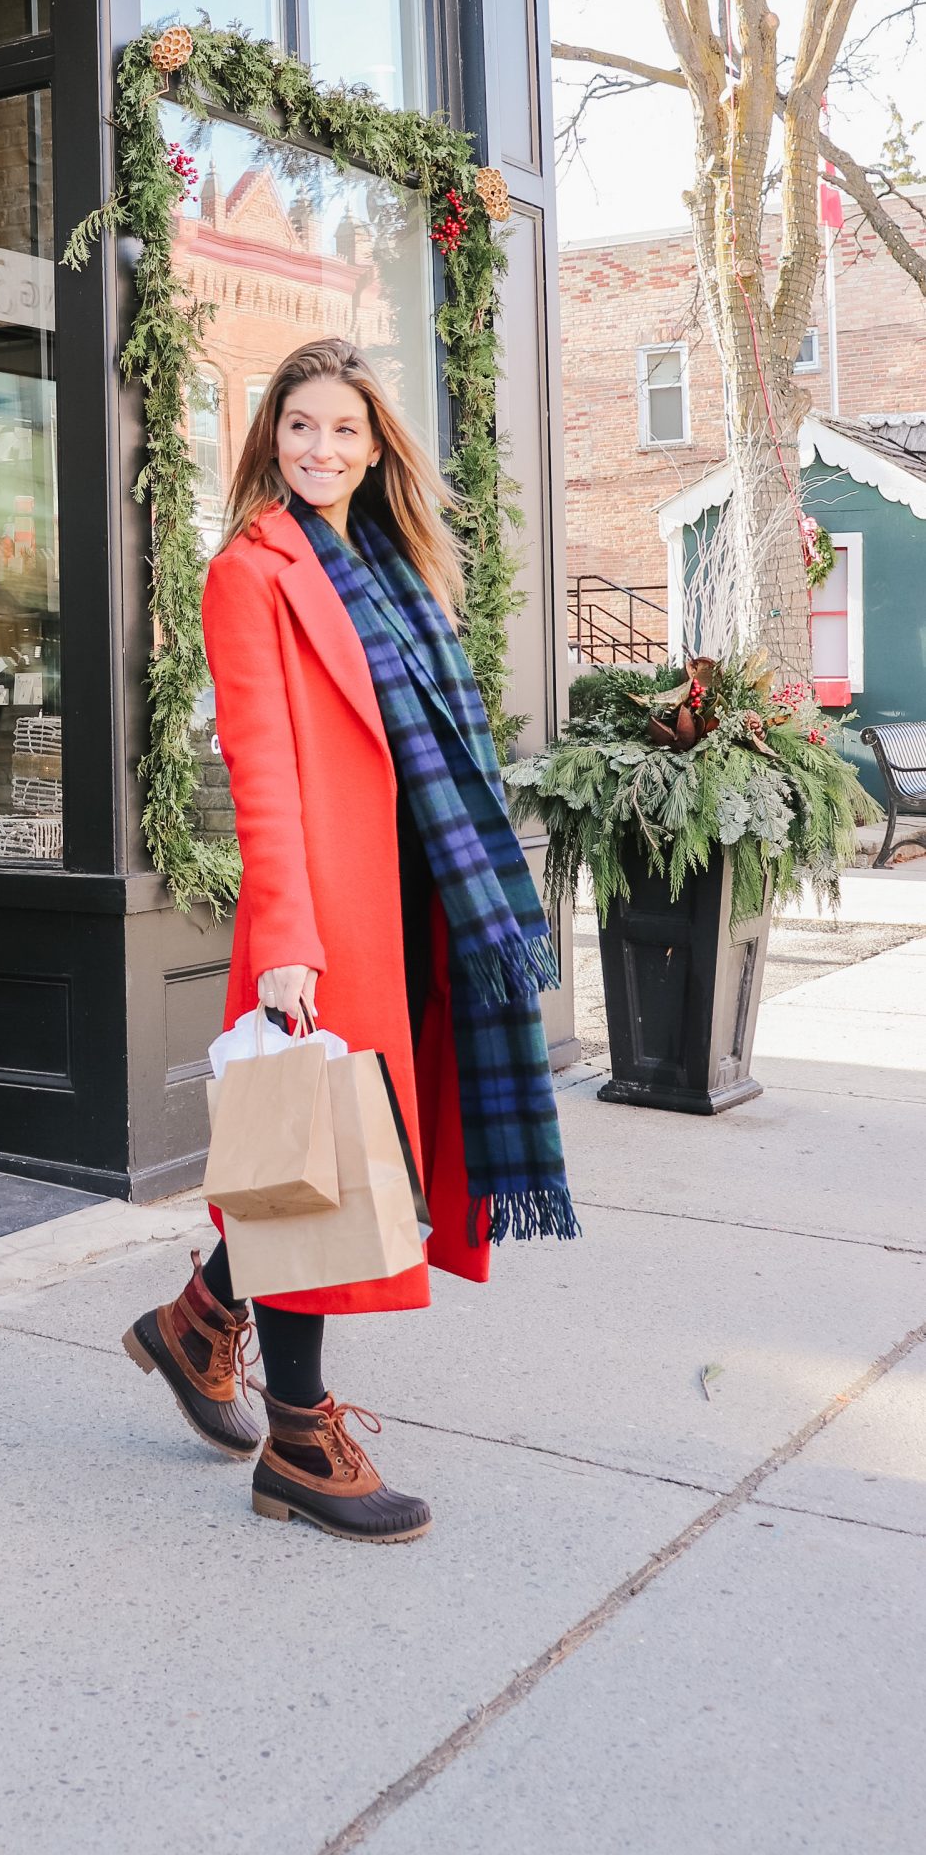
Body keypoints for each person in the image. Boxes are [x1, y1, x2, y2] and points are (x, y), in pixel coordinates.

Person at [125, 337, 577, 1542]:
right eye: (297, 427)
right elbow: (260, 768)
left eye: (341, 430)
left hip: (413, 902)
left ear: (375, 447)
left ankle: (195, 1324)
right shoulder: (249, 570)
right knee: (319, 1172)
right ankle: (302, 1442)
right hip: (323, 916)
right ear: (267, 438)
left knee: (346, 1159)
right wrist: (283, 934)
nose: (318, 449)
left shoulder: (393, 568)